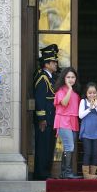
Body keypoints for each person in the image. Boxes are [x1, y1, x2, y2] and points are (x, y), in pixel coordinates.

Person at [33, 44, 59, 180]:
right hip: (45, 120)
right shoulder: (42, 77)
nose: (56, 64)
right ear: (47, 64)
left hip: (52, 118)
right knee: (43, 147)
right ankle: (41, 173)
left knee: (49, 147)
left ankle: (46, 172)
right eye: (53, 62)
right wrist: (41, 119)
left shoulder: (51, 78)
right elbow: (40, 99)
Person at [53, 67, 83, 179]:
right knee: (69, 146)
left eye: (73, 77)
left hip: (73, 121)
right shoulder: (61, 90)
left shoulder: (76, 92)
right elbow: (64, 103)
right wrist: (69, 89)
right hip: (63, 120)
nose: (71, 79)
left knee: (70, 147)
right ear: (64, 78)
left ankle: (64, 173)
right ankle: (67, 172)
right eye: (68, 77)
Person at [79, 82, 97, 179]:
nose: (92, 95)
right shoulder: (83, 101)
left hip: (96, 131)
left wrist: (96, 105)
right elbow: (80, 115)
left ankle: (92, 174)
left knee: (95, 153)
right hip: (86, 132)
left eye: (94, 92)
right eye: (90, 93)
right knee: (87, 152)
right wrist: (90, 108)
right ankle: (86, 175)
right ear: (86, 93)